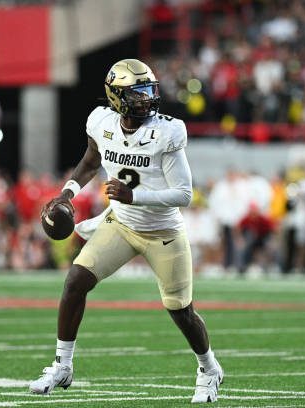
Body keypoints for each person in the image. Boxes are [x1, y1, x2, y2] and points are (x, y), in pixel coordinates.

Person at [29, 59, 223, 403]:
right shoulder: (101, 121)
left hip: (162, 230)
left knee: (181, 311)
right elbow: (91, 159)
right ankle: (62, 364)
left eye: (150, 90)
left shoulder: (167, 131)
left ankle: (209, 368)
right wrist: (67, 193)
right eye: (138, 93)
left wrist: (134, 195)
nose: (147, 98)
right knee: (75, 282)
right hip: (120, 223)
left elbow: (184, 195)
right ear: (116, 97)